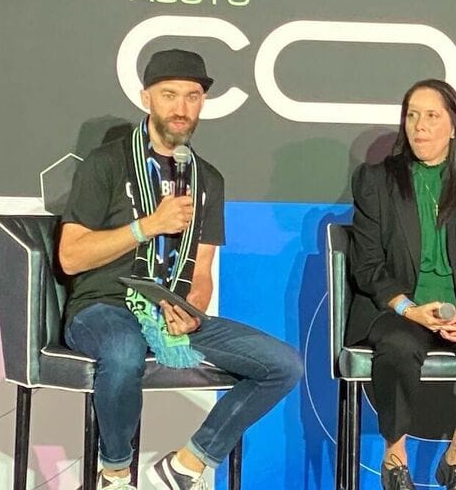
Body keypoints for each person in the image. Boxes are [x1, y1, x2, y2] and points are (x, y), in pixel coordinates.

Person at [58, 49, 303, 490]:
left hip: (169, 313)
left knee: (283, 364)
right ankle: (115, 474)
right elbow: (71, 257)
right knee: (124, 350)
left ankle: (187, 464)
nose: (181, 108)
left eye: (192, 96)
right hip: (102, 307)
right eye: (169, 95)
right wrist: (146, 226)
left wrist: (190, 310)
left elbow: (202, 270)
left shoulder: (208, 179)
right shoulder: (105, 164)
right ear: (146, 98)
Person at [346, 79, 456, 490]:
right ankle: (395, 456)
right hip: (399, 310)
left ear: (454, 126)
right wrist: (409, 309)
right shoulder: (377, 180)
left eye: (431, 116)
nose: (419, 126)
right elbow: (367, 265)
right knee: (398, 346)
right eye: (412, 115)